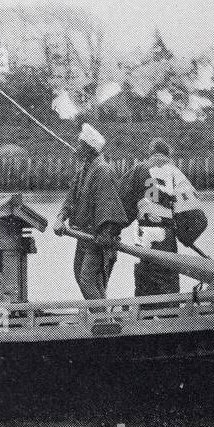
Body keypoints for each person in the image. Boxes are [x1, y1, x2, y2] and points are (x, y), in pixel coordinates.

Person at [119, 138, 206, 297]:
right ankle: (170, 316)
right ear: (168, 155)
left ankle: (144, 316)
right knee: (167, 281)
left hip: (143, 236)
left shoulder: (138, 170)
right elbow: (198, 217)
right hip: (166, 239)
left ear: (150, 154)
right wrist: (185, 236)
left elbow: (120, 205)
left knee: (144, 282)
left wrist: (112, 231)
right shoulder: (175, 173)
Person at [53, 123, 127, 302]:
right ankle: (104, 318)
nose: (77, 149)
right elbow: (71, 199)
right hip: (83, 235)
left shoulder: (102, 171)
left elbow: (109, 205)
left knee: (87, 279)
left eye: (80, 145)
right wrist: (60, 217)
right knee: (82, 275)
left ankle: (102, 319)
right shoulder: (83, 171)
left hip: (97, 238)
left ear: (89, 149)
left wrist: (106, 233)